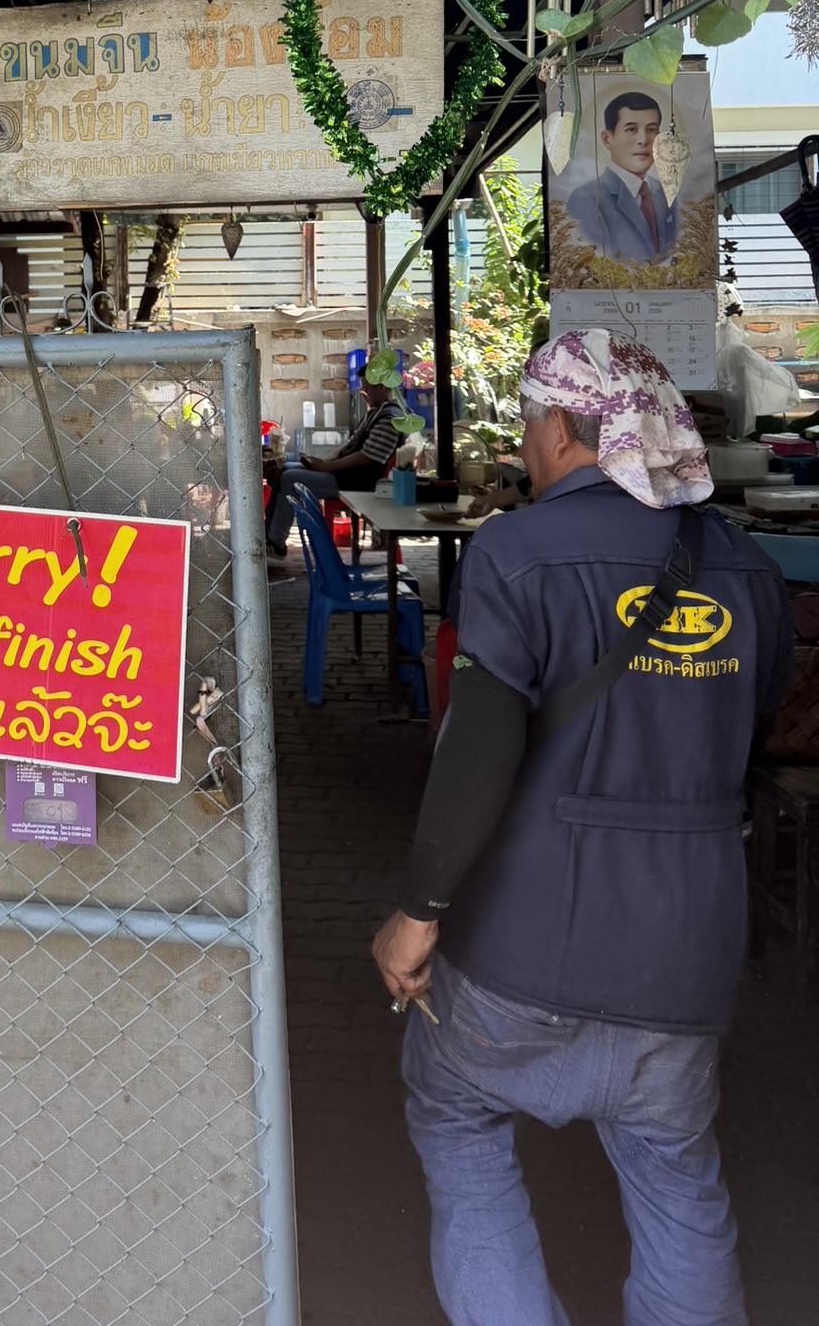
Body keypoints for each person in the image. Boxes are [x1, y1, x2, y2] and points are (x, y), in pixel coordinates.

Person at [371, 329, 791, 1326]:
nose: (523, 446)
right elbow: (753, 731)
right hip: (684, 961)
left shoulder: (517, 551)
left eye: (529, 424)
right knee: (677, 1175)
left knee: (455, 1110)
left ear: (569, 428)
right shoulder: (747, 567)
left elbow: (478, 751)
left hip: (524, 951)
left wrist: (418, 913)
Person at [265, 379, 400, 554]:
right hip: (344, 474)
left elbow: (367, 457)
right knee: (284, 468)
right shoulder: (375, 413)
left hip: (358, 481)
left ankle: (276, 542)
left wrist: (325, 467)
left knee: (289, 478)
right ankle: (267, 534)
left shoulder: (390, 418)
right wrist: (321, 462)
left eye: (366, 389)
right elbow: (348, 445)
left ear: (382, 386)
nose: (363, 394)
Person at [565, 90, 679, 263]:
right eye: (632, 129)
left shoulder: (666, 193)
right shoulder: (587, 199)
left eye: (651, 130)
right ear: (607, 138)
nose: (643, 140)